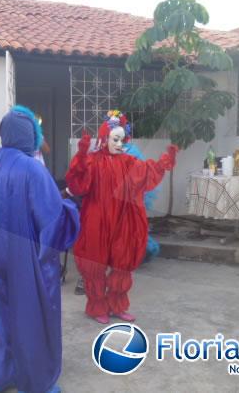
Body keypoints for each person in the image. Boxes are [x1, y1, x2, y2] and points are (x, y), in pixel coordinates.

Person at [0, 105, 80, 393]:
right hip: (24, 254)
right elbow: (52, 220)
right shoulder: (32, 167)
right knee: (31, 313)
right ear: (30, 134)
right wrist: (71, 207)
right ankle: (35, 381)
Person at [66, 110, 177, 324]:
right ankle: (97, 307)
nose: (119, 144)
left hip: (123, 220)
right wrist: (80, 158)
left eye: (122, 140)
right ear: (104, 138)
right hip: (97, 219)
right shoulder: (92, 162)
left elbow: (146, 172)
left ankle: (117, 305)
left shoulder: (128, 161)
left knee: (121, 264)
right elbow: (77, 185)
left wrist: (164, 162)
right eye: (115, 139)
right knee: (96, 265)